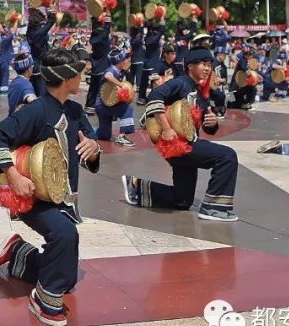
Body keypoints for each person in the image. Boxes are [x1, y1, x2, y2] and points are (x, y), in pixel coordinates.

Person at [0, 48, 101, 326]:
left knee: (67, 278)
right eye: (79, 74)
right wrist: (12, 176)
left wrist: (93, 148)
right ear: (66, 77)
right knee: (64, 235)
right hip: (33, 198)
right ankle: (44, 301)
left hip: (63, 198)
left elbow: (91, 141)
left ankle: (18, 255)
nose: (82, 79)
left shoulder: (74, 110)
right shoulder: (36, 110)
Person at [122, 46, 239, 221]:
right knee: (227, 156)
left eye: (209, 65)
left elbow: (208, 128)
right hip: (179, 145)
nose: (207, 68)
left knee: (182, 201)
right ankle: (213, 208)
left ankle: (137, 187)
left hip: (188, 143)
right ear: (190, 66)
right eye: (203, 64)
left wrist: (212, 123)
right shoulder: (181, 82)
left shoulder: (201, 93)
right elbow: (154, 96)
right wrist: (167, 128)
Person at [94, 49, 135, 145]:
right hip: (103, 105)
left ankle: (88, 131)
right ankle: (122, 136)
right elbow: (108, 76)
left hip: (104, 105)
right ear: (120, 61)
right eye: (126, 58)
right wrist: (120, 84)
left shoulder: (120, 71)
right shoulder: (112, 70)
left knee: (104, 135)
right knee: (127, 109)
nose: (128, 60)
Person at [25, 6, 56, 96]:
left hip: (34, 65)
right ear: (38, 23)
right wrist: (49, 9)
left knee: (35, 92)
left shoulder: (29, 32)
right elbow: (51, 21)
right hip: (41, 67)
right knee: (42, 94)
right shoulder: (38, 33)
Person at [85, 14, 112, 115]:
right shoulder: (102, 36)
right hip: (103, 65)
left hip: (95, 66)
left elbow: (98, 27)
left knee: (93, 88)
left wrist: (96, 16)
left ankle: (89, 108)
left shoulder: (93, 37)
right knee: (105, 89)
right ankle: (107, 110)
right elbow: (107, 27)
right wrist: (108, 15)